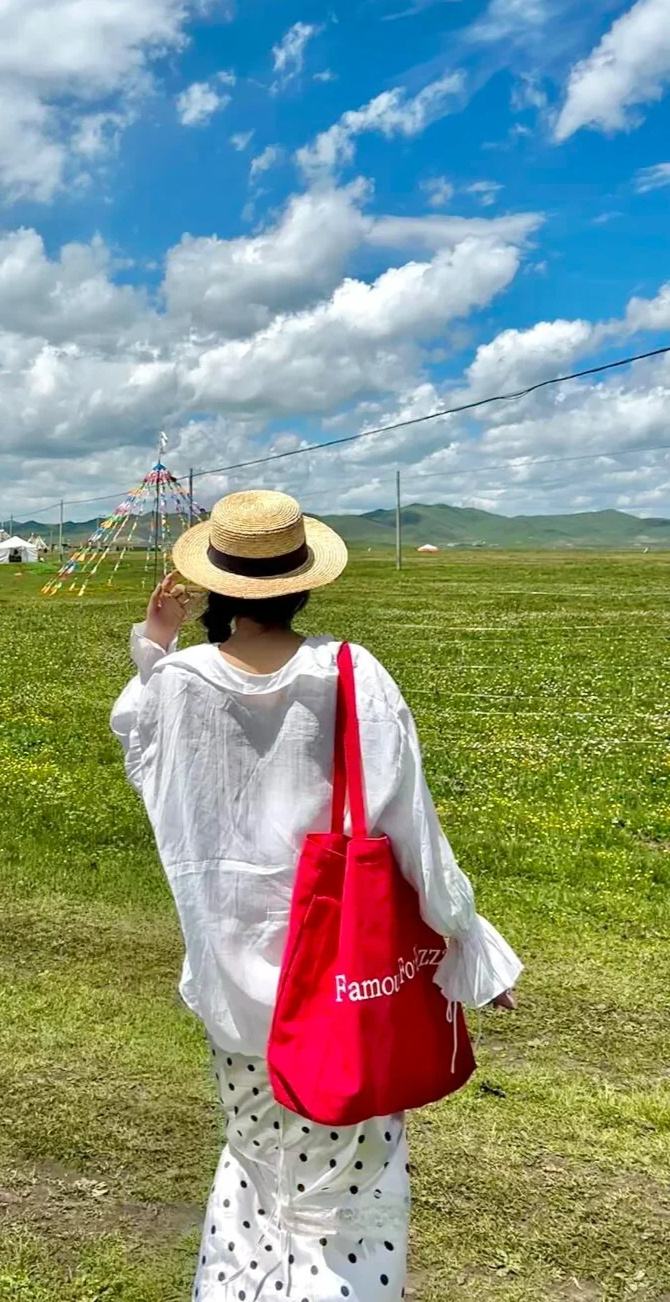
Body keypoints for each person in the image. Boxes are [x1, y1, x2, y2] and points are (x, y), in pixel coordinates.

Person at [110, 489, 521, 1302]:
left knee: (253, 1174)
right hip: (343, 987)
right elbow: (410, 823)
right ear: (303, 582)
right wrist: (467, 938)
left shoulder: (179, 683)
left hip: (231, 989)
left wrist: (156, 642)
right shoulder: (351, 673)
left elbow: (143, 745)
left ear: (216, 585)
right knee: (348, 1204)